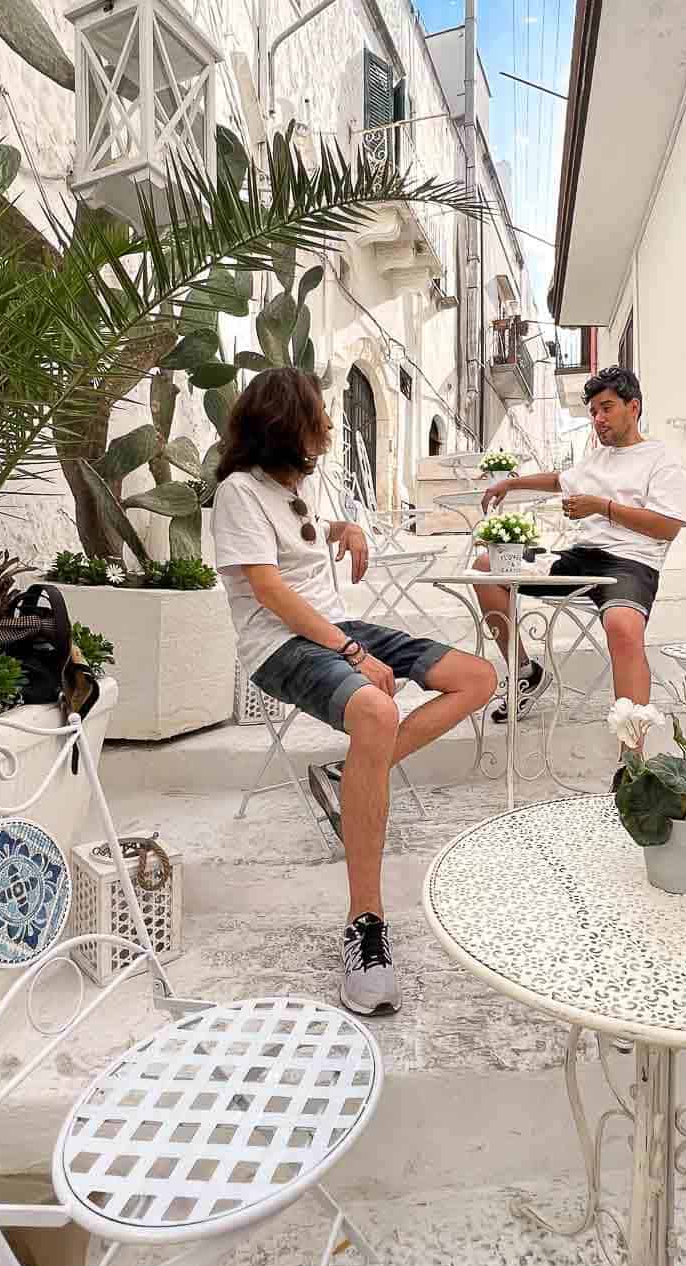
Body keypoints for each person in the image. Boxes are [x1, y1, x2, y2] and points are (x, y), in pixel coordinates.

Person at [211, 367, 497, 1018]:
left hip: (334, 628)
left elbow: (310, 542)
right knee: (376, 706)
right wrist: (352, 653)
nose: (332, 424)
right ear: (290, 424)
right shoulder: (238, 493)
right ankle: (365, 924)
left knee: (478, 677)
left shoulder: (295, 489)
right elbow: (271, 590)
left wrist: (350, 531)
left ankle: (351, 775)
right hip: (280, 644)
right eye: (320, 412)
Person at [474, 365, 686, 723]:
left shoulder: (663, 460)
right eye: (593, 412)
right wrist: (510, 484)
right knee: (487, 567)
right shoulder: (597, 458)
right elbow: (560, 480)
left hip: (631, 563)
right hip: (580, 559)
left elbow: (667, 527)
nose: (598, 419)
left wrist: (602, 507)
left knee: (624, 627)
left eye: (606, 408)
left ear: (633, 407)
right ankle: (526, 672)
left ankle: (633, 758)